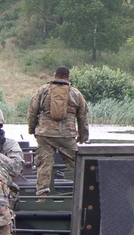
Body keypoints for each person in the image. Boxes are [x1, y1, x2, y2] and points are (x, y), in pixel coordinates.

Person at [27, 66, 89, 196]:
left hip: (44, 134)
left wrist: (32, 129)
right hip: (67, 135)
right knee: (77, 163)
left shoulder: (43, 90)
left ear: (55, 75)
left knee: (44, 164)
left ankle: (42, 196)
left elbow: (32, 112)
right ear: (68, 77)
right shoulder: (75, 93)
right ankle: (86, 192)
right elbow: (82, 116)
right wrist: (83, 136)